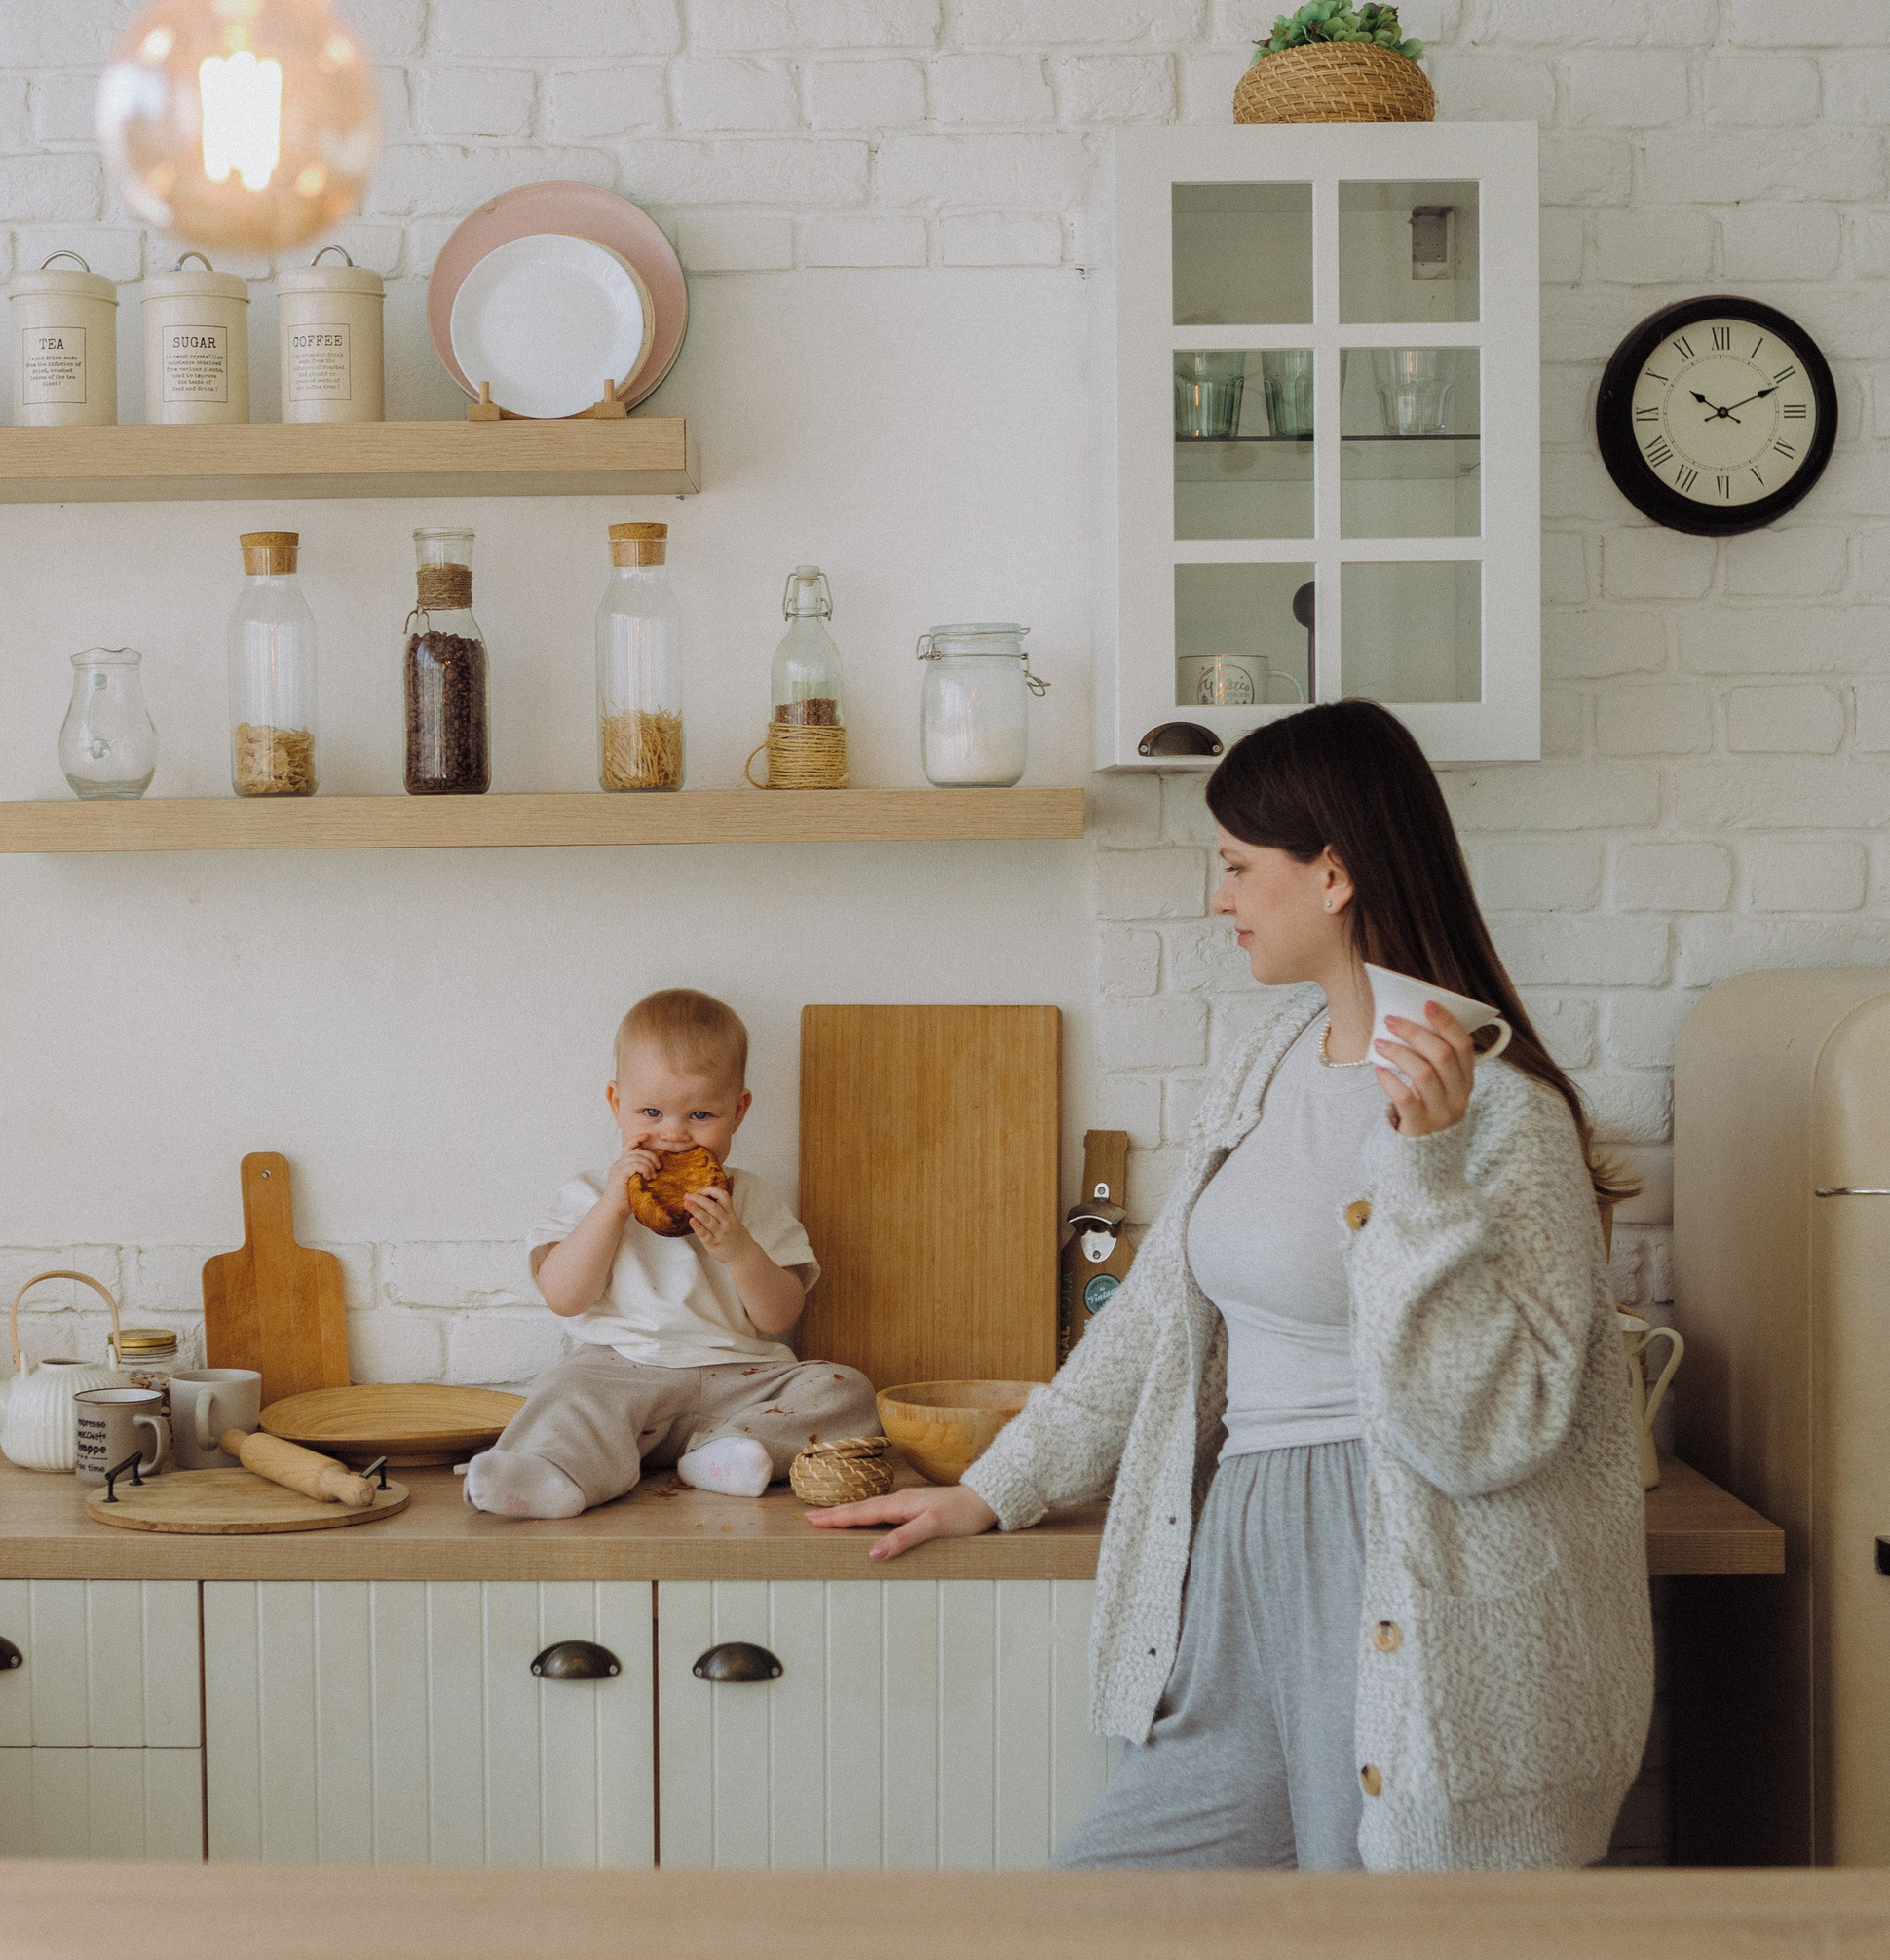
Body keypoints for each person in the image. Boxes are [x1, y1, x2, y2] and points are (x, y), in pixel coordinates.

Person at [812, 701, 1651, 1872]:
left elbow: (1490, 1430)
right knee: (1098, 1907)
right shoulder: (1270, 1056)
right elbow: (1158, 1314)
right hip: (1240, 1565)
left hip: (1394, 1564)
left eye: (1238, 867)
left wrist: (1426, 1166)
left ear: (1334, 874)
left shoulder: (1507, 1117)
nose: (1221, 899)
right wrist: (996, 1486)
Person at [466, 988, 880, 1519]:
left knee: (845, 1389)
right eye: (652, 1111)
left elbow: (780, 1316)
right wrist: (613, 1209)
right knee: (564, 1389)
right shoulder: (591, 1194)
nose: (674, 1135)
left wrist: (738, 1250)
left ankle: (729, 1454)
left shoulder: (751, 1198)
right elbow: (565, 1298)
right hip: (621, 1372)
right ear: (617, 1105)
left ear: (739, 1110)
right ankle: (557, 1475)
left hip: (740, 1378)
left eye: (701, 1114)